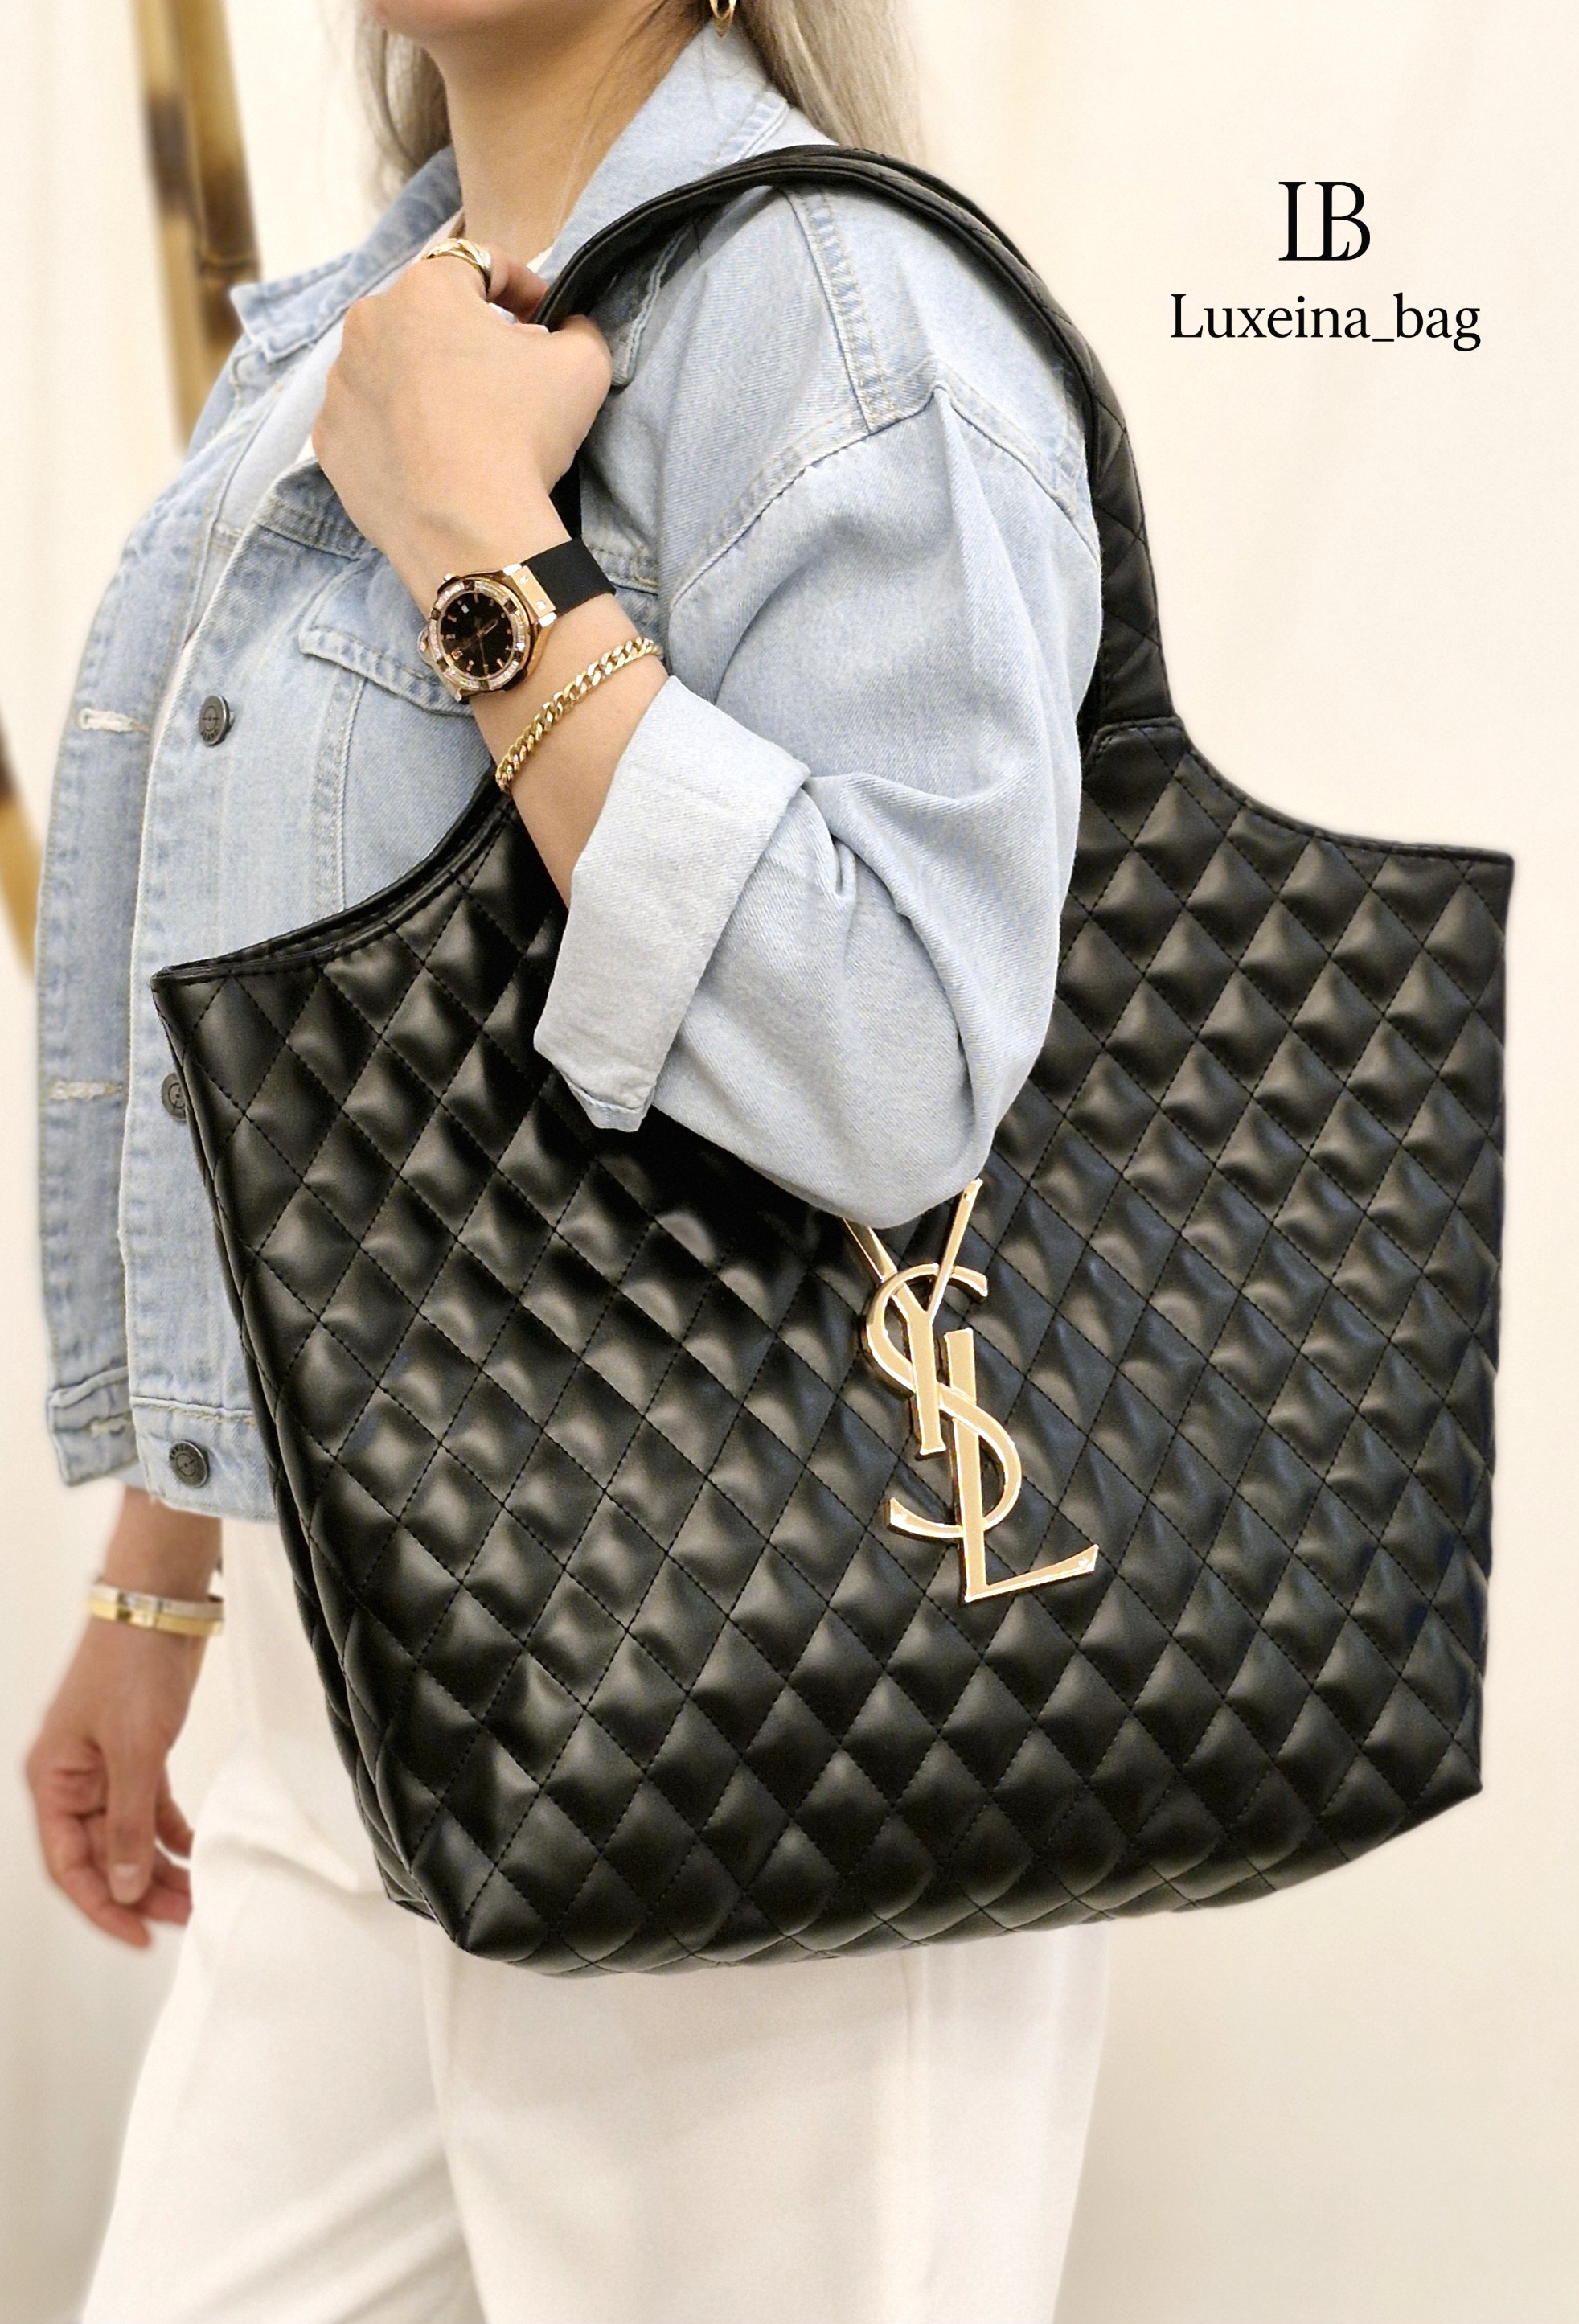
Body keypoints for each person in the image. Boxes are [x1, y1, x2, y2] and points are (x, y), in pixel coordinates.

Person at [26, 3, 1109, 2318]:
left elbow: (899, 1059)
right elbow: (311, 1024)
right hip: (353, 1676)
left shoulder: (837, 314)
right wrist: (167, 1567)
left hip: (768, 1704)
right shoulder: (369, 322)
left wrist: (481, 541)